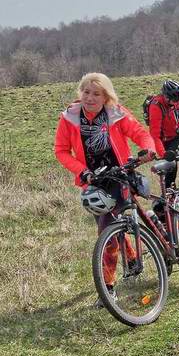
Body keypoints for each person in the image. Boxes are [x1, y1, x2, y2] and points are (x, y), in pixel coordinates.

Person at [54, 73, 156, 306]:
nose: (90, 98)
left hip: (119, 174)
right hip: (93, 181)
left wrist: (148, 149)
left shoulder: (115, 113)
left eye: (96, 93)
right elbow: (60, 150)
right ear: (80, 93)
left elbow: (140, 133)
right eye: (86, 92)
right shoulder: (69, 118)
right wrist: (82, 171)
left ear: (105, 96)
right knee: (109, 227)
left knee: (108, 228)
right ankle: (130, 260)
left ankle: (108, 288)